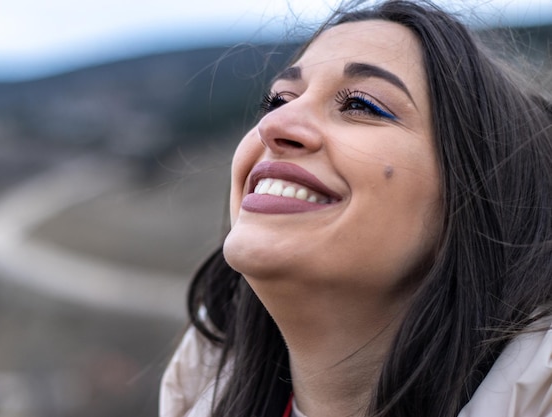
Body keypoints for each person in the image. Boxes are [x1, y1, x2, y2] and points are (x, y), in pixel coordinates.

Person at [159, 1, 552, 416]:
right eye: (277, 101)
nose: (274, 125)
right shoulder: (194, 396)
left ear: (475, 202)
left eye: (361, 104)